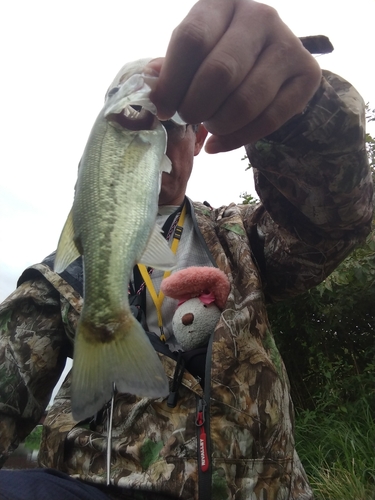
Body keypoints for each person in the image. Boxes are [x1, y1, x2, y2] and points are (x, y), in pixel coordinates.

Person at [0, 0, 373, 499]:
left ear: (198, 138)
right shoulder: (57, 281)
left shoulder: (242, 240)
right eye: (144, 120)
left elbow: (334, 223)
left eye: (173, 124)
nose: (161, 140)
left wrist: (297, 114)